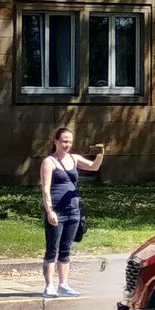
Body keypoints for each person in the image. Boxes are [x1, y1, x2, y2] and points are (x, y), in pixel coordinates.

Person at [39, 126, 104, 298]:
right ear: (56, 141)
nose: (67, 144)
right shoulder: (49, 162)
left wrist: (100, 154)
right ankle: (49, 286)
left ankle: (64, 284)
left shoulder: (74, 159)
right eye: (64, 141)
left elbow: (94, 167)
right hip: (57, 211)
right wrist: (49, 210)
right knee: (52, 248)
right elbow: (45, 189)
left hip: (73, 210)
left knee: (66, 248)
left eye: (70, 141)